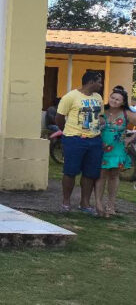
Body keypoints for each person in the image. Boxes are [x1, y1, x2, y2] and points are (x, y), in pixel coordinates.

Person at [55, 70, 103, 215]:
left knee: (90, 173)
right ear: (90, 82)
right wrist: (67, 132)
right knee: (70, 171)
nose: (101, 85)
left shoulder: (98, 97)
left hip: (94, 140)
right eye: (99, 82)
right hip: (74, 139)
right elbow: (59, 117)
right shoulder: (71, 96)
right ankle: (66, 202)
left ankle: (85, 203)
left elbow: (100, 116)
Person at [96, 86, 136, 218]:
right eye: (112, 97)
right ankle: (99, 205)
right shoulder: (102, 110)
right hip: (101, 148)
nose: (114, 100)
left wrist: (130, 139)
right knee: (101, 176)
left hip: (118, 150)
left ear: (123, 102)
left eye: (117, 99)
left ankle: (111, 205)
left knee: (114, 176)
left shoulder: (127, 114)